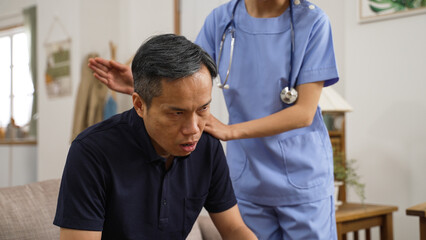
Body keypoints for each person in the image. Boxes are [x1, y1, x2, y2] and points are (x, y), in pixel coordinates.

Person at [89, 0, 340, 239]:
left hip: (301, 174)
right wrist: (140, 86)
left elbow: (304, 112)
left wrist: (231, 131)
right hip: (248, 173)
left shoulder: (313, 21)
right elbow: (186, 81)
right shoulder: (222, 19)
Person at [54, 34, 257, 240]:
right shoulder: (91, 152)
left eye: (203, 108)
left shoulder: (207, 146)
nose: (193, 129)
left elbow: (234, 229)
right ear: (140, 105)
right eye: (177, 113)